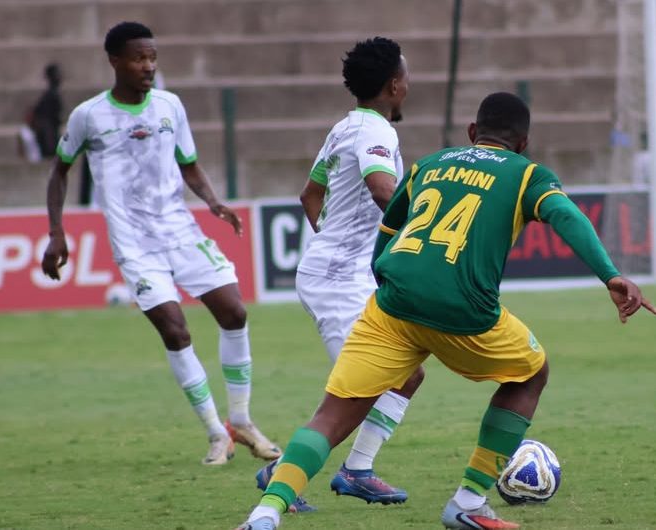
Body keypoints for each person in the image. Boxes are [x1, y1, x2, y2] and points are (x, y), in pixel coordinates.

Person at [236, 92, 656, 530]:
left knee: (331, 414)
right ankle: (469, 503)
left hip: (392, 305)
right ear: (524, 143)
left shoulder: (430, 164)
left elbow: (388, 228)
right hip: (464, 310)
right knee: (532, 373)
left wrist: (385, 277)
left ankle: (265, 514)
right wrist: (610, 275)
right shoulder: (528, 174)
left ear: (472, 133)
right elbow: (566, 216)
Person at [40, 21, 281, 467]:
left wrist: (213, 203)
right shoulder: (89, 115)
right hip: (135, 244)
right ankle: (216, 433)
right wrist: (57, 232)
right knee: (175, 329)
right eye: (138, 58)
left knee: (235, 311)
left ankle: (242, 421)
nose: (148, 66)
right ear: (114, 61)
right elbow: (60, 171)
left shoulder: (170, 105)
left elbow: (188, 164)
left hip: (181, 231)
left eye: (152, 57)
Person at [256, 37, 422, 512]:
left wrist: (338, 244)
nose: (409, 85)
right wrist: (424, 228)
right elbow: (382, 189)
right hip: (338, 282)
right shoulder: (377, 133)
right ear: (394, 85)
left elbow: (310, 196)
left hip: (342, 274)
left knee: (405, 375)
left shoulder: (344, 127)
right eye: (406, 77)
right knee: (361, 388)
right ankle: (322, 473)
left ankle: (344, 469)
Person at [32, 63, 64, 158]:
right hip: (49, 139)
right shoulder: (50, 96)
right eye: (57, 74)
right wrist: (50, 142)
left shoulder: (52, 94)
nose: (60, 77)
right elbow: (46, 122)